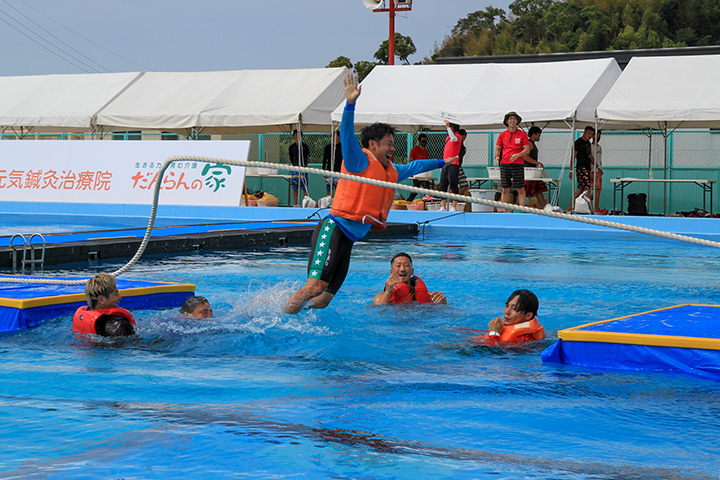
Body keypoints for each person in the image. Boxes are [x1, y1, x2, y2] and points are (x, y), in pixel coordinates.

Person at [285, 73, 453, 313]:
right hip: (334, 229)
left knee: (324, 299)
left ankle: (296, 319)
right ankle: (279, 318)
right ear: (372, 145)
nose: (393, 148)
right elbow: (345, 134)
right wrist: (350, 103)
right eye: (389, 144)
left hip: (349, 239)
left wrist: (441, 162)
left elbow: (416, 166)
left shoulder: (391, 171)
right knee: (315, 287)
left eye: (393, 144)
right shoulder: (358, 161)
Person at [470, 289, 544, 345]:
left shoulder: (524, 340)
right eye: (507, 306)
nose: (507, 312)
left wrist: (494, 333)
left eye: (515, 309)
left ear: (528, 315)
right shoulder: (510, 327)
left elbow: (491, 352)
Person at [373, 252, 447, 305]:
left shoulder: (430, 296)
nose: (402, 269)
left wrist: (444, 302)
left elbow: (446, 312)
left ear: (412, 272)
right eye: (398, 266)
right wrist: (388, 292)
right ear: (391, 272)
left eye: (406, 265)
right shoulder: (380, 297)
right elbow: (378, 311)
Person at [494, 112, 531, 212]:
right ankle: (505, 210)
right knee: (505, 188)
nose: (512, 120)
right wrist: (497, 156)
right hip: (504, 164)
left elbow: (527, 149)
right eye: (510, 118)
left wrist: (518, 155)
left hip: (518, 164)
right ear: (507, 121)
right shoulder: (502, 135)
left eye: (514, 118)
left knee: (520, 188)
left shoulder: (522, 134)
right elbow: (498, 148)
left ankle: (522, 210)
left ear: (517, 121)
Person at [567, 126, 596, 213]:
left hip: (587, 168)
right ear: (584, 132)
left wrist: (596, 167)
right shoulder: (578, 143)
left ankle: (569, 208)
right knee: (587, 189)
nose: (590, 136)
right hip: (581, 168)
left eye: (592, 134)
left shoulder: (588, 143)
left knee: (580, 190)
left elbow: (590, 157)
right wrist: (571, 170)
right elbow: (573, 157)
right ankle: (590, 209)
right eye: (589, 133)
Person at [439, 120, 463, 212]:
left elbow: (454, 139)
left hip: (454, 164)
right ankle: (443, 206)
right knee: (443, 184)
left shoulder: (458, 136)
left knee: (453, 183)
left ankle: (454, 206)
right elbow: (445, 152)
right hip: (445, 163)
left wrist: (448, 127)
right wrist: (442, 164)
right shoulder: (448, 137)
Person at [523, 126, 547, 208]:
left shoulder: (532, 144)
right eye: (539, 134)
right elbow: (525, 156)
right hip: (528, 171)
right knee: (525, 189)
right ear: (534, 134)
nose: (539, 136)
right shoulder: (529, 144)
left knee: (538, 188)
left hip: (533, 171)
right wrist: (536, 162)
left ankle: (544, 206)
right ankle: (519, 206)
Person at [407, 133, 430, 202]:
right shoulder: (414, 150)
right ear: (419, 142)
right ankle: (409, 201)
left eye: (425, 141)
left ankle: (425, 202)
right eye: (423, 141)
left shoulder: (426, 151)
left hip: (423, 172)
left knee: (425, 188)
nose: (424, 143)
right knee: (417, 188)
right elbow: (410, 161)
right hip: (416, 171)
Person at [289, 129, 310, 206]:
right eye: (296, 135)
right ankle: (295, 203)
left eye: (299, 135)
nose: (297, 137)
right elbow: (291, 157)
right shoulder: (291, 147)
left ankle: (306, 203)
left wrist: (305, 166)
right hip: (295, 168)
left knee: (304, 187)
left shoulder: (305, 146)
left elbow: (307, 157)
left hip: (303, 168)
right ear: (294, 136)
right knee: (295, 187)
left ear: (302, 136)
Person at [322, 130, 343, 196]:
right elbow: (324, 159)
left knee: (338, 188)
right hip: (329, 170)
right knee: (329, 188)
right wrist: (323, 170)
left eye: (337, 136)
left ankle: (337, 204)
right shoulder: (328, 147)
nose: (336, 137)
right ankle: (328, 202)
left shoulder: (342, 147)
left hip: (338, 170)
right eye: (334, 136)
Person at [592, 129, 604, 212]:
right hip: (593, 170)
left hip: (598, 170)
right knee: (596, 190)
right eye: (596, 135)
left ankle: (595, 208)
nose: (598, 137)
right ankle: (594, 208)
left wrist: (600, 168)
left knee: (598, 191)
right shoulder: (590, 146)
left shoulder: (599, 147)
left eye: (599, 136)